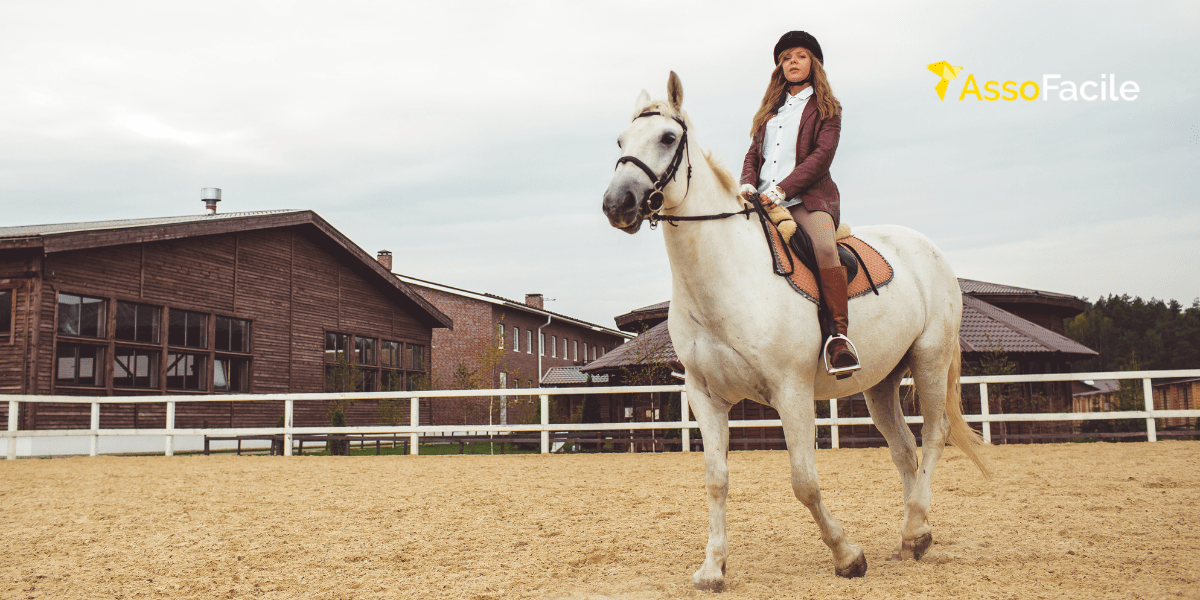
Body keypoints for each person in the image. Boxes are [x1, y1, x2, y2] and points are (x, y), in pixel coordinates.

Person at [739, 30, 861, 378]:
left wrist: (781, 190)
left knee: (824, 249)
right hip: (760, 200)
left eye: (801, 56)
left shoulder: (827, 109)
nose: (793, 62)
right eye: (787, 57)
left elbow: (821, 158)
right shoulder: (769, 113)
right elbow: (753, 156)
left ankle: (839, 339)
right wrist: (747, 182)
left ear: (813, 64)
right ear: (780, 66)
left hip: (806, 199)